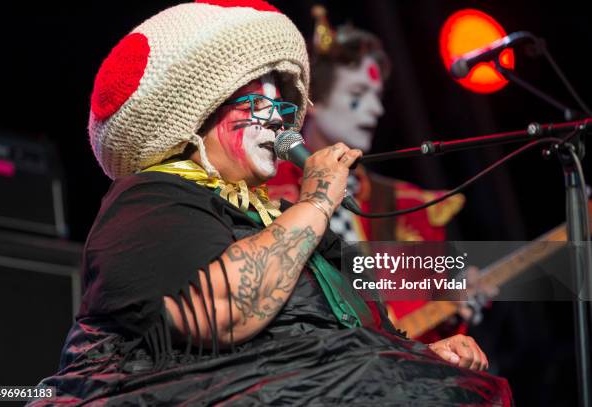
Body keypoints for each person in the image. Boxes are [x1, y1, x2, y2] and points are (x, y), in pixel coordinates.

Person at [30, 1, 511, 405]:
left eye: (283, 109)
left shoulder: (293, 226)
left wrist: (426, 358)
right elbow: (225, 310)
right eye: (258, 106)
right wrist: (320, 197)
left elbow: (358, 344)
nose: (281, 124)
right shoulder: (150, 202)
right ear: (203, 116)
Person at [266, 7, 492, 343]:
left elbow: (420, 326)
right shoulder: (264, 191)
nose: (377, 109)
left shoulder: (406, 205)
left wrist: (451, 311)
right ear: (310, 99)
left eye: (377, 95)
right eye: (358, 95)